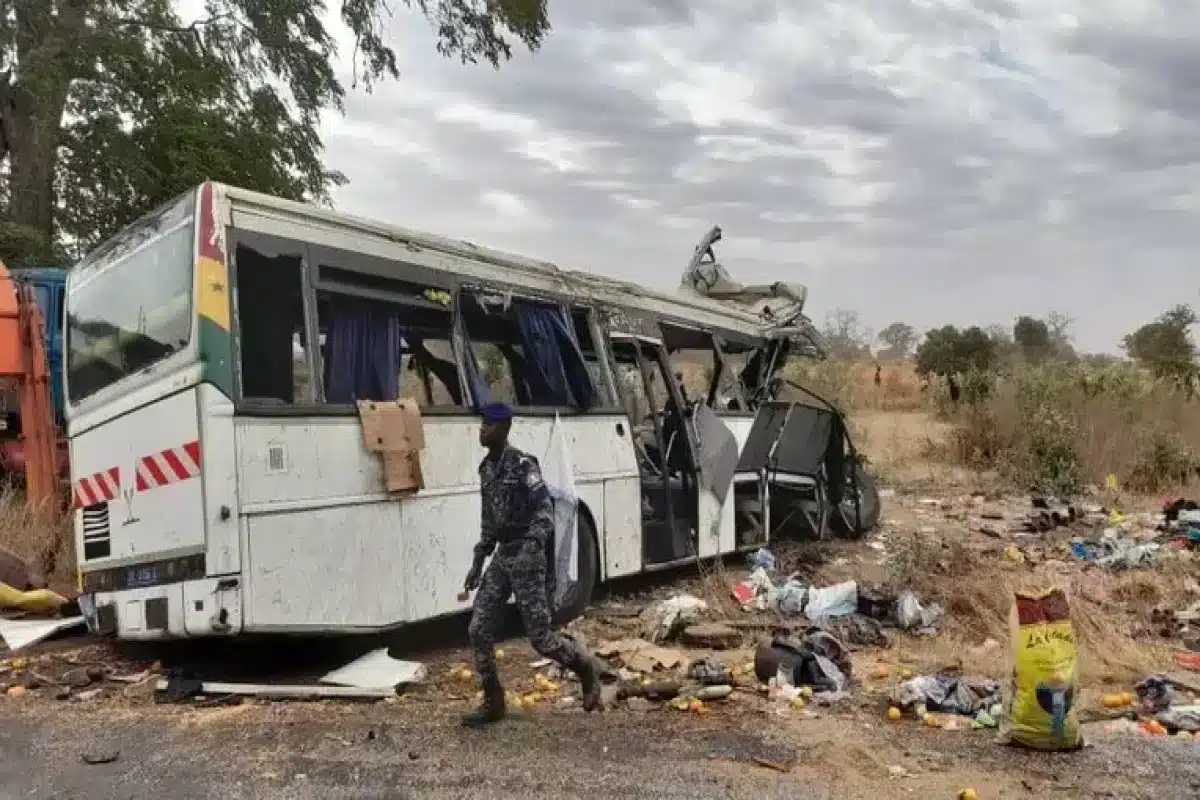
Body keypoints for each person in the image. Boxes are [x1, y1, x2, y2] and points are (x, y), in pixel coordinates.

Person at [462, 402, 601, 726]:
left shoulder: (524, 465)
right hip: (503, 555)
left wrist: (534, 544)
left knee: (540, 638)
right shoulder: (486, 470)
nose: (482, 430)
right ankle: (493, 701)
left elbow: (544, 511)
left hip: (527, 554)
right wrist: (478, 561)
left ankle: (584, 667)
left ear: (504, 428)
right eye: (482, 424)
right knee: (478, 629)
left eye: (489, 425)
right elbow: (488, 523)